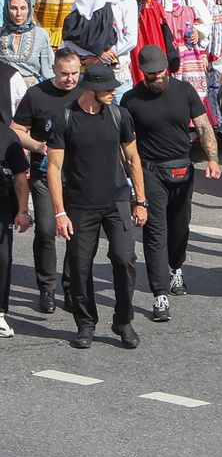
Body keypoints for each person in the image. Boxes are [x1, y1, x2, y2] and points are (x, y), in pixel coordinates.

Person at [119, 42, 219, 325]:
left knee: (179, 228)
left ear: (167, 67)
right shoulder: (131, 99)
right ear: (141, 73)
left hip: (182, 170)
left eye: (161, 72)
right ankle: (159, 294)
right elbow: (125, 144)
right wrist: (130, 181)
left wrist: (212, 158)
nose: (157, 78)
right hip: (151, 172)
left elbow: (202, 125)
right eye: (151, 75)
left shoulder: (184, 91)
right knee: (155, 232)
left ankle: (176, 267)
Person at [47, 60, 144, 348]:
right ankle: (85, 324)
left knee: (125, 260)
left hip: (116, 201)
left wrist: (141, 200)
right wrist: (60, 212)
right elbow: (54, 167)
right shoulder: (64, 118)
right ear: (91, 88)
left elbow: (133, 159)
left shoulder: (119, 115)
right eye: (108, 88)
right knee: (79, 266)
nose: (114, 91)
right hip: (79, 205)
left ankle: (123, 321)